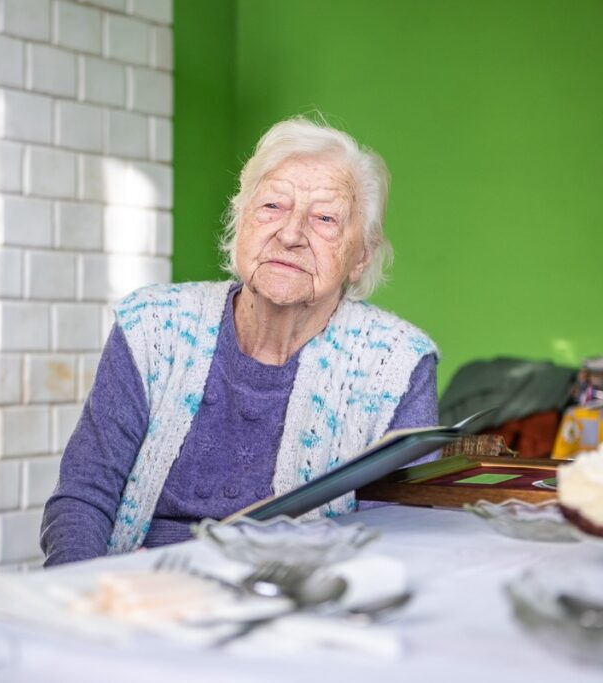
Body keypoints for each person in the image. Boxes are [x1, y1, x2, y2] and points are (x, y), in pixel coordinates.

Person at [41, 116, 439, 566]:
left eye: (325, 218)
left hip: (297, 597)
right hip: (140, 590)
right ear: (240, 220)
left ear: (360, 256)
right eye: (272, 206)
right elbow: (83, 496)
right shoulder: (152, 327)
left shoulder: (396, 365)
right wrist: (81, 593)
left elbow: (400, 541)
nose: (290, 234)